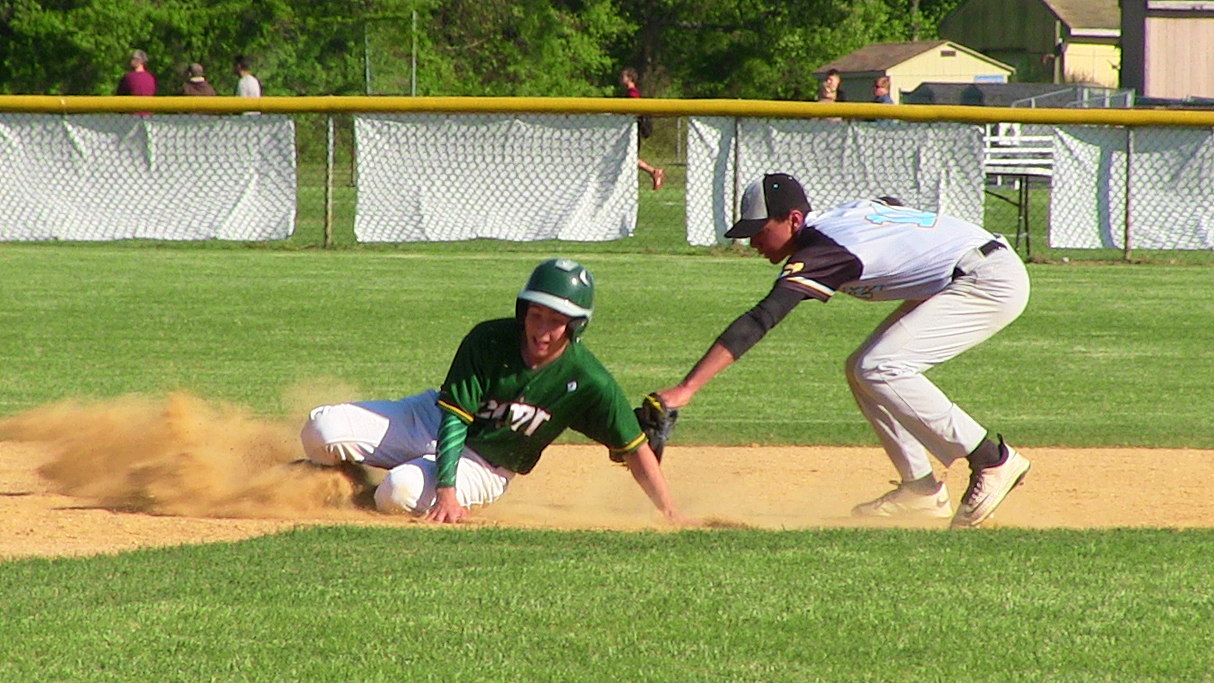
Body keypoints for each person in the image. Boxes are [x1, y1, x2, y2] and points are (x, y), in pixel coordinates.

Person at [654, 174, 1032, 529]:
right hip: (967, 268)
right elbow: (889, 206)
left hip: (987, 280)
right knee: (862, 368)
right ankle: (920, 491)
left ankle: (992, 459)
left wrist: (687, 388)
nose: (753, 243)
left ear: (794, 219)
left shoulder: (825, 249)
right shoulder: (833, 224)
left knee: (879, 367)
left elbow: (762, 318)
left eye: (760, 231)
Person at [300, 259, 689, 525]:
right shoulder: (489, 339)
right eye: (536, 315)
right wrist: (447, 491)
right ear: (523, 310)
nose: (542, 330)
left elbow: (635, 448)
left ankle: (355, 493)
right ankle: (331, 478)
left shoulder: (589, 381)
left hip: (487, 464)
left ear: (576, 327)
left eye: (556, 321)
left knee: (398, 493)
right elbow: (454, 418)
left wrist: (669, 511)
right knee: (322, 429)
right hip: (435, 422)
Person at [619, 67, 665, 191]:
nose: (620, 79)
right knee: (630, 157)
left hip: (634, 131)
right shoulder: (631, 92)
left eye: (623, 76)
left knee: (630, 157)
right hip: (630, 130)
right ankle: (654, 172)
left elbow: (636, 110)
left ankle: (654, 171)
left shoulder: (632, 93)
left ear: (630, 78)